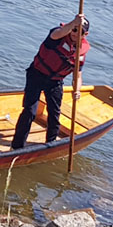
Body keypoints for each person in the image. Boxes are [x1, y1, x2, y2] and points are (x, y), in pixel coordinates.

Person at [11, 14, 90, 149]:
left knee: (54, 114)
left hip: (55, 81)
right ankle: (16, 147)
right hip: (36, 75)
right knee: (30, 111)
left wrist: (77, 90)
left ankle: (51, 144)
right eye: (74, 30)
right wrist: (74, 23)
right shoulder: (57, 35)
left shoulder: (80, 52)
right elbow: (58, 33)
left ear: (85, 34)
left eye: (79, 31)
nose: (75, 34)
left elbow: (77, 75)